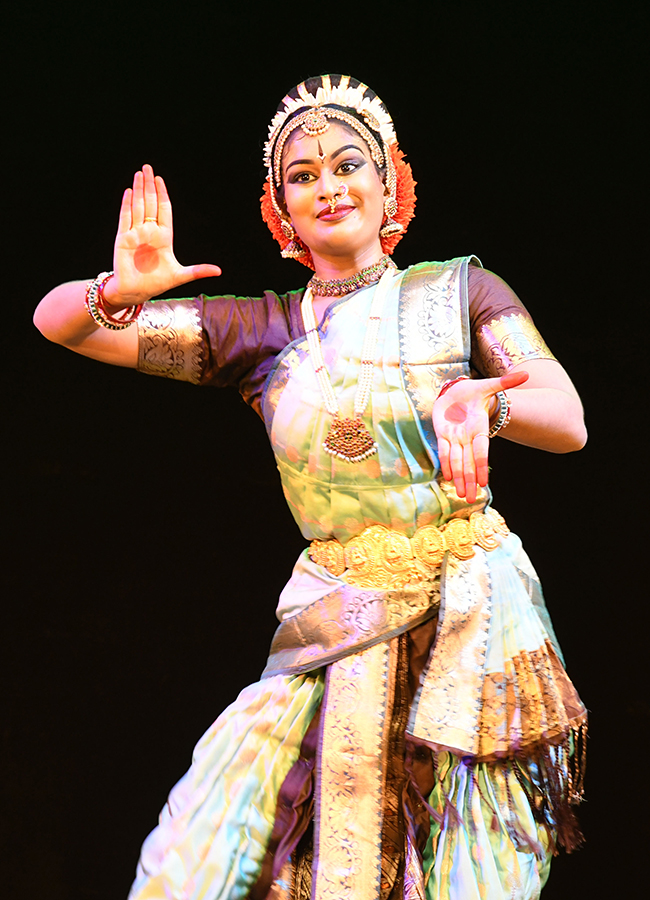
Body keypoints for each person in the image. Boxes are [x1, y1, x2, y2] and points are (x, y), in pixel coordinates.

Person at [34, 75, 588, 900]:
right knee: (201, 860)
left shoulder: (460, 292)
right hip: (334, 630)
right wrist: (116, 294)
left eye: (346, 165)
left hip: (464, 633)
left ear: (387, 181)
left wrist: (490, 401)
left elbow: (566, 416)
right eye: (302, 176)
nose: (327, 187)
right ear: (280, 211)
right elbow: (60, 325)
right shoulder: (263, 331)